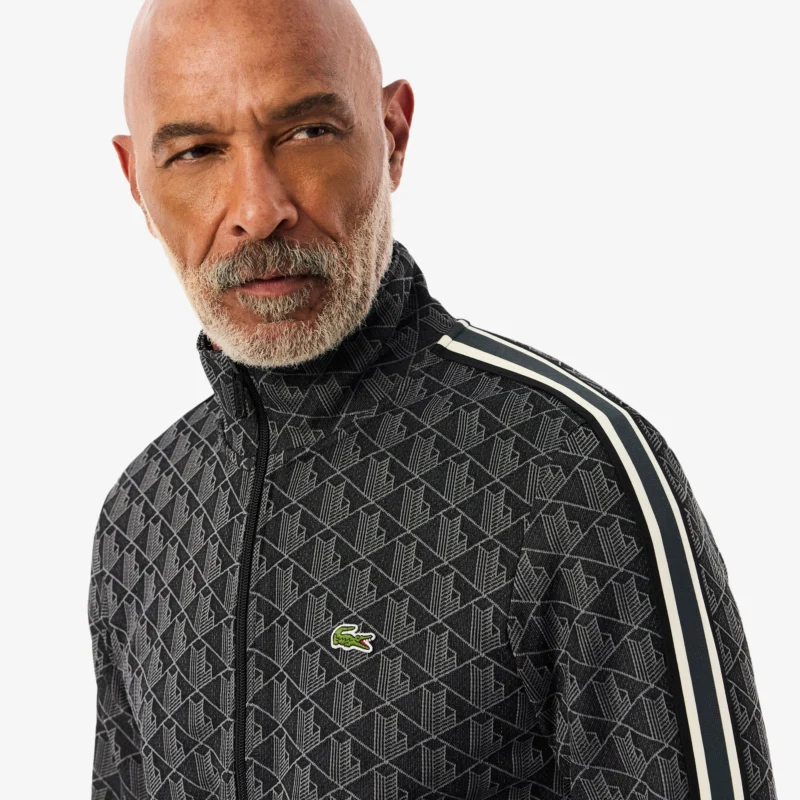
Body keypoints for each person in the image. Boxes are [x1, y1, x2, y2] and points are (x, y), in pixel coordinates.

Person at [89, 1, 776, 798]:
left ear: (393, 134)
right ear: (135, 181)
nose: (258, 209)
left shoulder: (572, 475)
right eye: (197, 151)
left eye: (307, 132)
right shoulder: (142, 517)